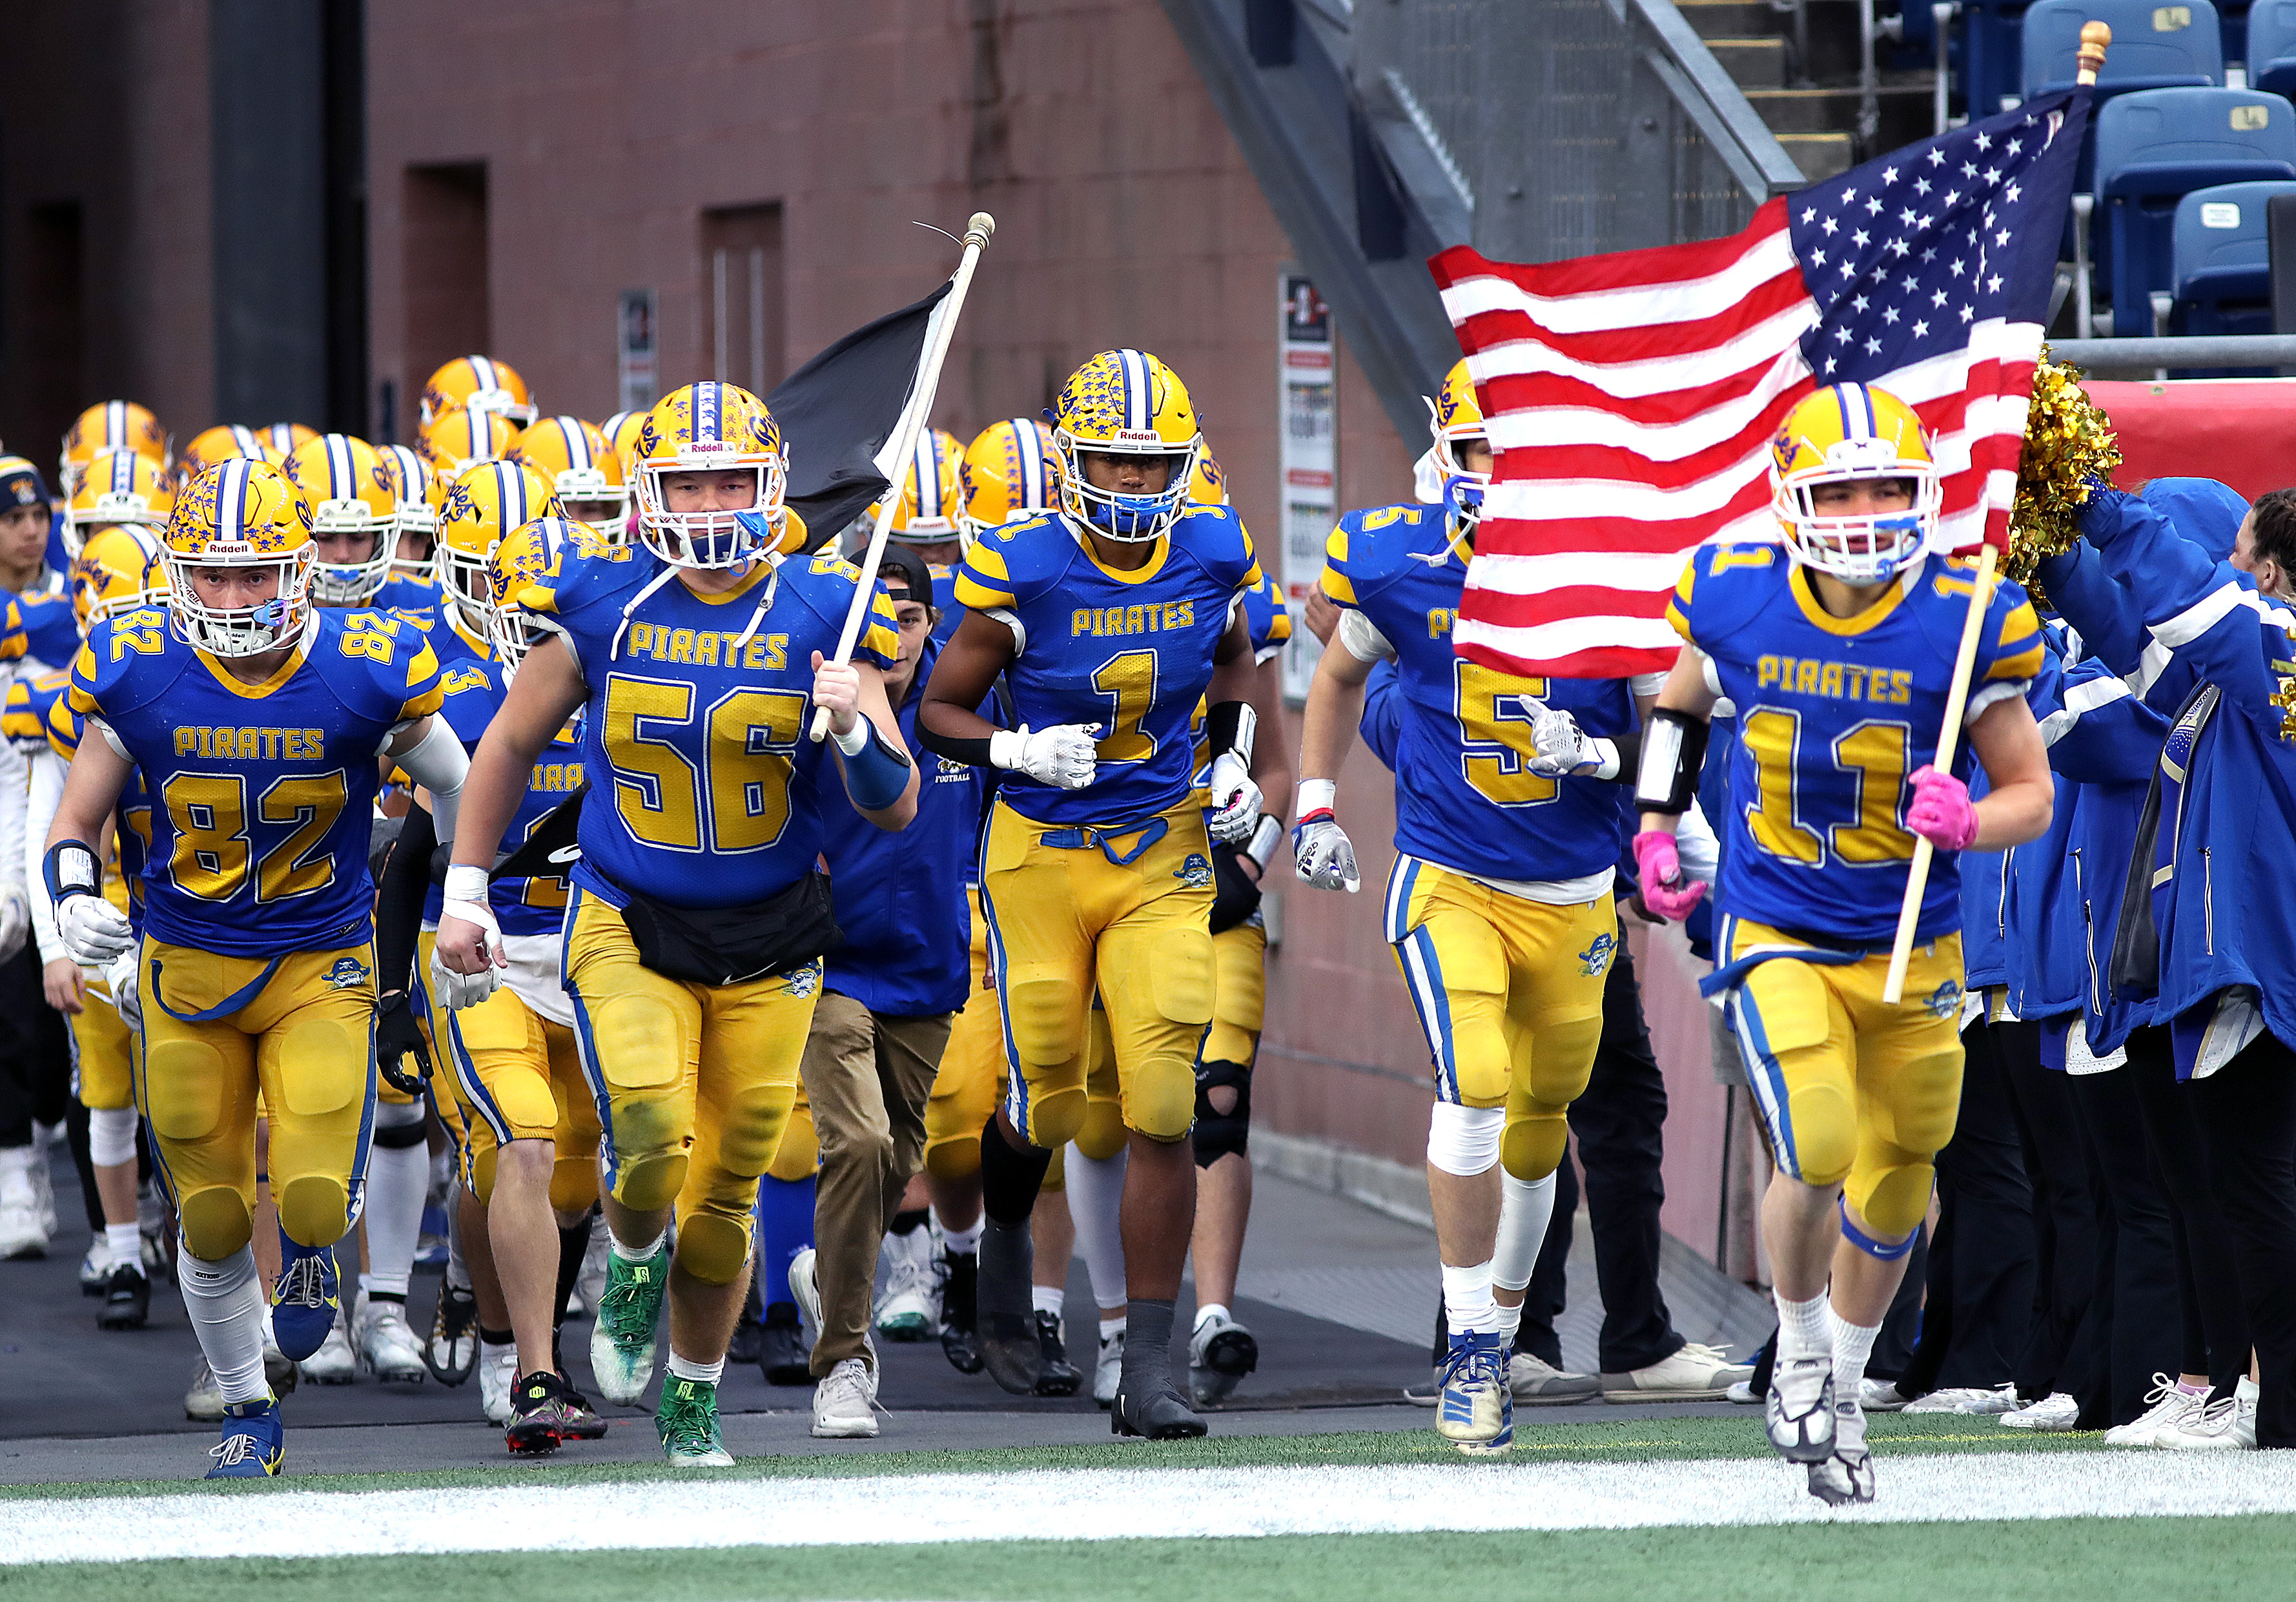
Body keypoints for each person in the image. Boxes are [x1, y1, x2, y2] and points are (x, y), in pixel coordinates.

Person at [435, 380, 916, 1468]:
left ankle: (691, 1396)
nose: (706, 502)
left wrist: (852, 728)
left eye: (729, 479)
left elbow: (895, 801)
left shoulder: (825, 609)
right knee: (648, 1136)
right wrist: (466, 887)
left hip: (775, 934)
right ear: (646, 492)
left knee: (729, 1193)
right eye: (685, 480)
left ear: (771, 485)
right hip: (629, 914)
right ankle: (631, 1259)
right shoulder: (602, 594)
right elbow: (508, 744)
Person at [1638, 382, 2053, 1504]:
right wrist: (1655, 823)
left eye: (1887, 485)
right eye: (1841, 487)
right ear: (1790, 495)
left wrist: (1968, 818)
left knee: (1905, 1164)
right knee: (1815, 1142)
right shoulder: (1735, 593)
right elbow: (1676, 711)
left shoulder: (1965, 614)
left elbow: (2031, 791)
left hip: (1915, 941)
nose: (1866, 510)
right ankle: (1801, 1354)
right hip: (1780, 926)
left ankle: (1848, 1392)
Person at [45, 458, 466, 1477]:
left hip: (319, 957)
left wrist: (458, 902)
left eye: (258, 575)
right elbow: (76, 819)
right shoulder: (133, 661)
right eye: (213, 576)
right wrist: (71, 900)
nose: (235, 600)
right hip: (185, 967)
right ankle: (247, 1405)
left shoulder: (370, 662)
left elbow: (458, 792)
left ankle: (319, 1256)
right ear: (177, 574)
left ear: (302, 570)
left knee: (313, 1198)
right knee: (214, 1211)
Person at [1293, 358, 1650, 1456]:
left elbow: (1672, 727)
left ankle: (1498, 1325)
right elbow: (1339, 666)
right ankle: (1474, 1349)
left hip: (1577, 891)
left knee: (1543, 1129)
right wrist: (1314, 803)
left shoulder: (1612, 566)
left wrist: (1594, 751)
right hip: (1449, 875)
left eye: (1520, 454)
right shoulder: (1396, 556)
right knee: (1478, 1088)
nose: (1497, 474)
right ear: (1440, 457)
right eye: (1479, 450)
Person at [917, 347, 1266, 1439]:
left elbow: (1235, 662)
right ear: (1072, 459)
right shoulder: (1019, 561)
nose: (1130, 480)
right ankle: (1006, 1254)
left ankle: (1149, 1368)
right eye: (1111, 459)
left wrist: (1240, 757)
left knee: (1163, 1101)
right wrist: (1014, 748)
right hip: (1039, 855)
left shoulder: (1212, 545)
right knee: (1048, 1096)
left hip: (1162, 850)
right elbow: (940, 711)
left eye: (1151, 460)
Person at [792, 544, 986, 1437]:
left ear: (932, 624)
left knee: (897, 1160)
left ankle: (825, 1278)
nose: (895, 634)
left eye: (910, 617)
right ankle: (843, 1364)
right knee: (860, 1143)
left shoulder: (967, 710)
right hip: (829, 962)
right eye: (882, 616)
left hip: (927, 964)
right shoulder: (816, 702)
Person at [14, 527, 163, 1327]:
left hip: (177, 915)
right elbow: (55, 827)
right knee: (108, 1094)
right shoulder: (75, 694)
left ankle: (181, 1228)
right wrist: (55, 944)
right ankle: (124, 1246)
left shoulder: (195, 673)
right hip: (101, 918)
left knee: (182, 1093)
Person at [1180, 450, 1292, 1406]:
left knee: (1218, 1098)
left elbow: (1284, 767)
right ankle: (1077, 1311)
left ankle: (1215, 1310)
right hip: (1102, 880)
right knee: (1097, 1107)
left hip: (1214, 895)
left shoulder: (1230, 621)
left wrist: (1252, 849)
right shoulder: (1057, 598)